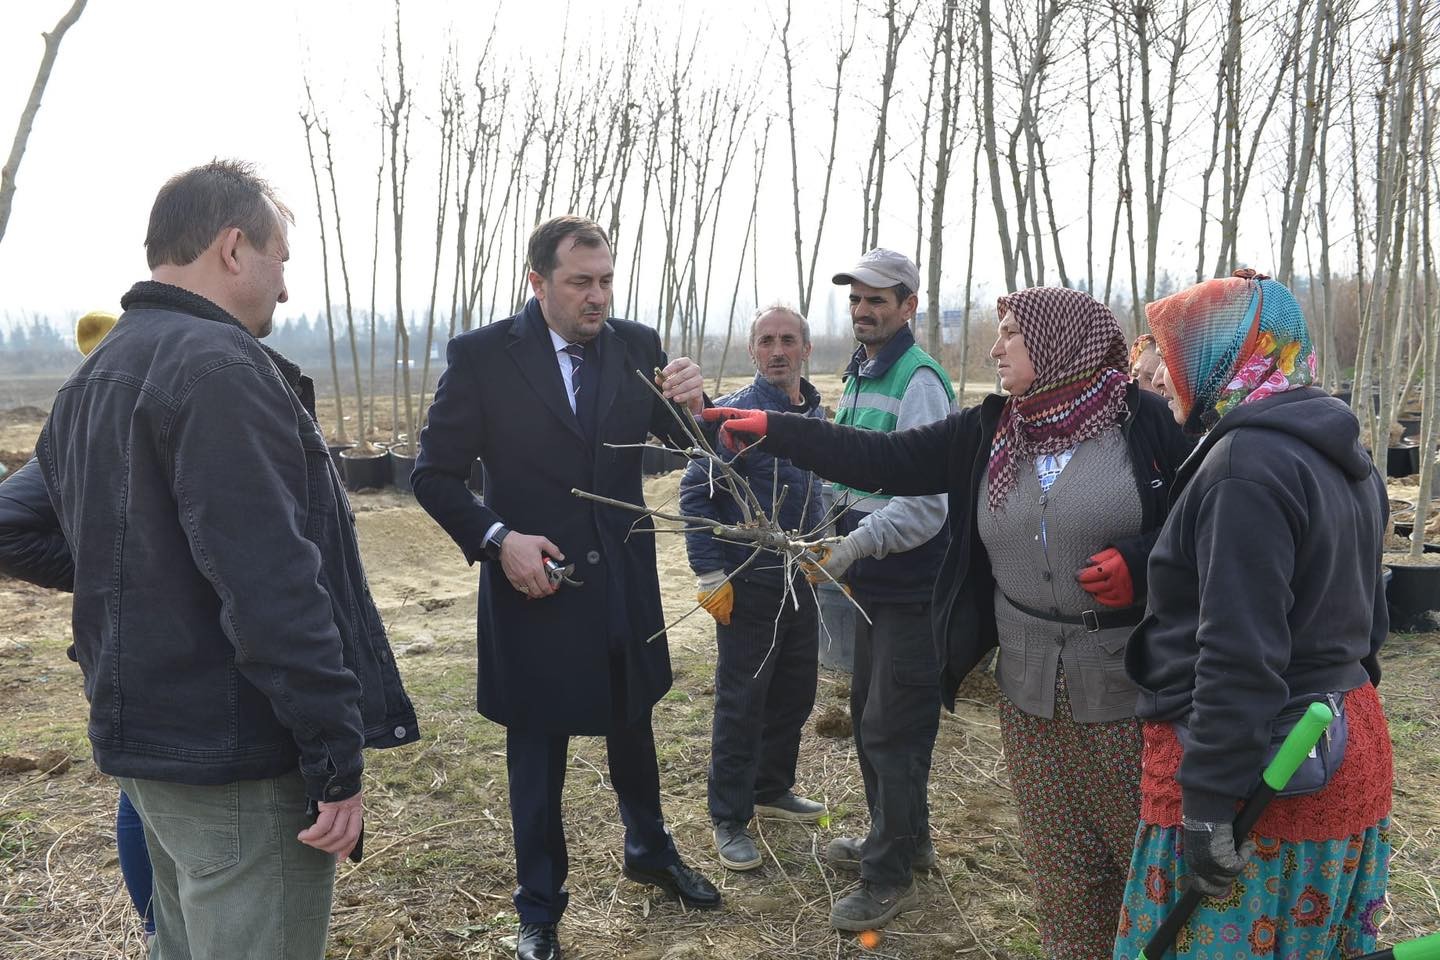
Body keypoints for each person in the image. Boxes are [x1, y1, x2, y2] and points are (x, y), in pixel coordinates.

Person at [704, 286, 1193, 957]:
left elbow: (1199, 523)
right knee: (1060, 863)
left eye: (1012, 334)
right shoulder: (996, 429)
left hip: (1124, 685)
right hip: (1027, 689)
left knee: (1140, 852)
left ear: (1057, 343)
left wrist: (1142, 560)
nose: (995, 349)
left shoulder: (1143, 422)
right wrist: (777, 430)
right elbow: (885, 459)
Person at [35, 160, 420, 960]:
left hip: (155, 749)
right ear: (234, 247)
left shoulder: (96, 375)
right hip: (238, 757)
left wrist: (144, 576)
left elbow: (41, 527)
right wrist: (335, 757)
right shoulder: (220, 370)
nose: (286, 288)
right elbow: (275, 588)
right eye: (281, 260)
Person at [411, 215, 721, 960]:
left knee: (633, 721)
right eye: (581, 282)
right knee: (538, 750)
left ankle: (649, 850)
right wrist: (499, 541)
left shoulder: (636, 346)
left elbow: (693, 444)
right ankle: (539, 907)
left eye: (606, 280)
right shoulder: (483, 357)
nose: (598, 296)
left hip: (623, 582)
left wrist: (696, 405)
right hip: (536, 587)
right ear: (538, 282)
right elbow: (433, 475)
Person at [1116, 270, 1392, 960]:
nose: (1158, 372)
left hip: (1269, 774)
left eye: (1173, 353)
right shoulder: (1341, 452)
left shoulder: (1246, 464)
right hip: (1343, 736)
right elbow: (1371, 623)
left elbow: (1240, 650)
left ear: (1226, 356)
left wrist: (1210, 801)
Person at [798, 248, 956, 931]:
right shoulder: (862, 373)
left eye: (878, 300)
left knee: (894, 728)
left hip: (912, 587)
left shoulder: (918, 380)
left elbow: (925, 506)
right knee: (870, 716)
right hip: (874, 584)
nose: (863, 310)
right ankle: (904, 841)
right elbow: (853, 476)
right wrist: (822, 528)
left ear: (908, 306)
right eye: (856, 299)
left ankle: (888, 875)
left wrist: (852, 546)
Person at [0, 309, 159, 944]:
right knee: (148, 791)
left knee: (142, 787)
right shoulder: (107, 423)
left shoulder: (82, 420)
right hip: (146, 644)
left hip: (125, 645)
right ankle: (163, 931)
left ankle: (161, 931)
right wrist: (114, 573)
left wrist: (106, 572)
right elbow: (7, 524)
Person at [680, 303, 827, 872]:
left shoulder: (814, 411)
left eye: (788, 339)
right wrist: (710, 575)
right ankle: (729, 816)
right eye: (766, 341)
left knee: (795, 691)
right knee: (743, 700)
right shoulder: (735, 416)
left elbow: (815, 486)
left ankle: (771, 788)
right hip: (750, 582)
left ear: (806, 349)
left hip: (801, 577)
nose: (778, 351)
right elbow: (696, 493)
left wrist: (824, 542)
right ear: (752, 350)